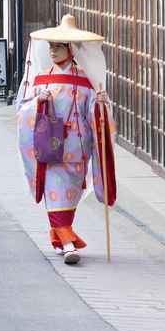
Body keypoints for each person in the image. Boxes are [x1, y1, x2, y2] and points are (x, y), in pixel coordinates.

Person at [15, 15, 117, 265]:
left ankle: (59, 237)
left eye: (57, 46)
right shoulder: (40, 79)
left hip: (76, 147)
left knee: (67, 196)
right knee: (56, 191)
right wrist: (38, 101)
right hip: (50, 148)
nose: (52, 51)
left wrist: (101, 106)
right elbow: (22, 109)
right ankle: (69, 243)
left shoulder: (86, 81)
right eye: (50, 46)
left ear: (70, 49)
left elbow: (94, 112)